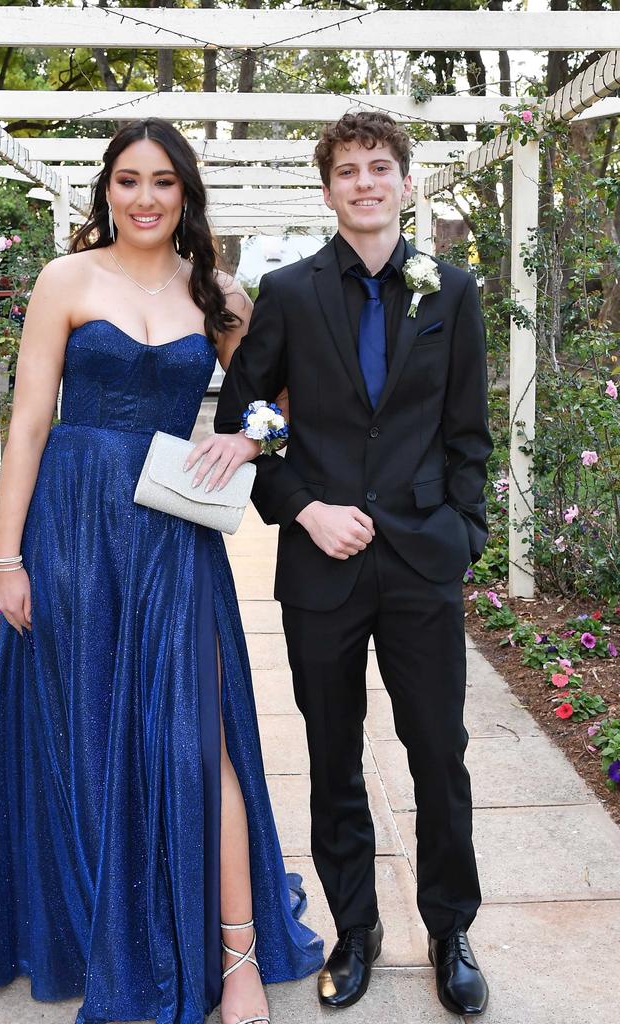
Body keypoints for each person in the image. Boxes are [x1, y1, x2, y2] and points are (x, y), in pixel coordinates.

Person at [0, 117, 323, 1024]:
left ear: (185, 193)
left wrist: (246, 440)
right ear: (106, 190)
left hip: (170, 538)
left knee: (195, 739)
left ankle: (238, 956)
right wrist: (5, 557)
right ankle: (104, 923)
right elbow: (28, 426)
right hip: (73, 529)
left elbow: (285, 409)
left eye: (163, 181)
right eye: (128, 180)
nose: (144, 198)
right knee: (84, 727)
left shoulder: (220, 296)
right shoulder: (64, 280)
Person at [194, 111, 492, 1017]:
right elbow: (248, 419)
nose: (365, 182)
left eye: (380, 167)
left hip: (423, 560)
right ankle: (355, 930)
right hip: (322, 562)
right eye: (348, 171)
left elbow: (467, 431)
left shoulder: (451, 291)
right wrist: (303, 507)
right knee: (332, 758)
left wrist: (463, 535)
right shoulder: (286, 291)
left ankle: (451, 931)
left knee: (438, 751)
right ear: (328, 189)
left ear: (407, 182)